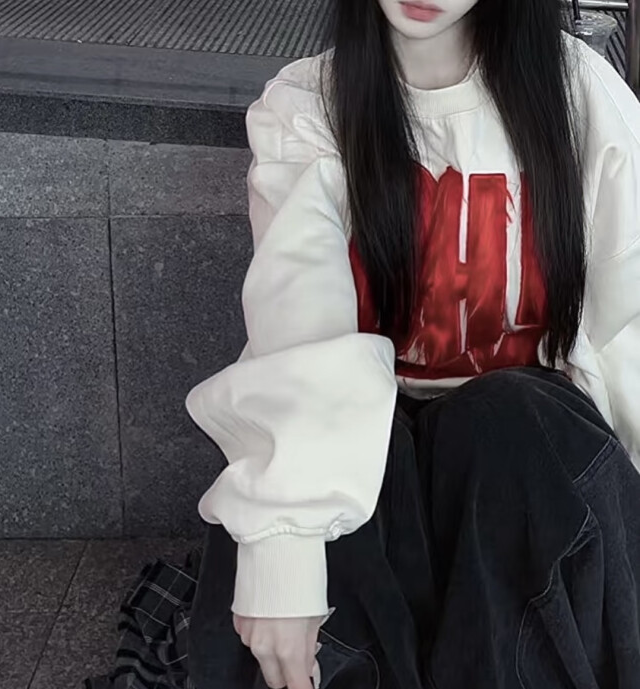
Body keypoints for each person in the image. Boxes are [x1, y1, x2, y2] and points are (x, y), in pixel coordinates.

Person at [183, 0, 640, 687]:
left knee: (508, 421)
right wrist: (285, 547)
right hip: (376, 463)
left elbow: (626, 328)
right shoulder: (309, 106)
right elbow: (299, 325)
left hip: (520, 474)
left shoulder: (580, 93)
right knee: (344, 464)